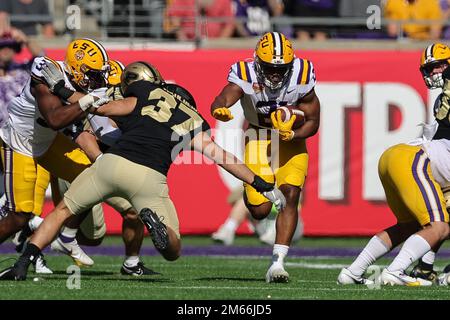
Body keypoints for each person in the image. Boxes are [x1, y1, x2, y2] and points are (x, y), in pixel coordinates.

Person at [0, 61, 286, 281]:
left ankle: (22, 263)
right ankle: (155, 229)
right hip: (149, 178)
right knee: (173, 249)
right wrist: (259, 181)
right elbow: (222, 156)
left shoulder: (145, 94)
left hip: (110, 165)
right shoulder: (193, 119)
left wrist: (60, 90)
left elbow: (99, 108)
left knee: (60, 212)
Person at [0, 38, 154, 276]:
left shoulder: (80, 84)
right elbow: (55, 119)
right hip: (20, 143)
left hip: (48, 142)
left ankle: (67, 236)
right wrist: (85, 100)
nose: (96, 81)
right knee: (19, 216)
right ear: (75, 68)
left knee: (92, 178)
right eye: (92, 74)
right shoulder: (46, 71)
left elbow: (96, 115)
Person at [210, 31, 320, 282]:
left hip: (290, 140)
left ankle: (277, 263)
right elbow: (227, 93)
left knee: (291, 194)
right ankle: (252, 217)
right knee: (260, 209)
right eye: (269, 67)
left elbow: (313, 121)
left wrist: (294, 133)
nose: (275, 74)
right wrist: (219, 106)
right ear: (257, 62)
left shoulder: (301, 74)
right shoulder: (245, 72)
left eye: (281, 69)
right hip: (258, 137)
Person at [337, 43, 450, 286]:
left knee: (411, 226)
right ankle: (395, 271)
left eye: (437, 67)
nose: (433, 74)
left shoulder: (443, 105)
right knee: (439, 225)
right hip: (414, 159)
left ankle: (353, 272)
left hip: (396, 157)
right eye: (429, 69)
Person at [211, 186, 303, 245]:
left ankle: (275, 233)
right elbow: (231, 199)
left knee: (288, 204)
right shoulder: (257, 176)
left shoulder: (287, 175)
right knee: (243, 201)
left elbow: (299, 199)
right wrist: (255, 185)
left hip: (289, 227)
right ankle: (228, 230)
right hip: (263, 225)